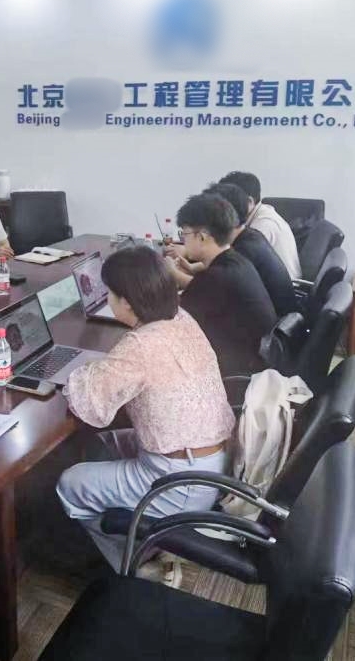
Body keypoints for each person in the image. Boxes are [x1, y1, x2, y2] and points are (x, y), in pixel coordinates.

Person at [55, 246, 234, 579]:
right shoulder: (181, 318)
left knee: (70, 483)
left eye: (109, 294)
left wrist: (82, 369)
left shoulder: (139, 345)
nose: (107, 299)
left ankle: (137, 564)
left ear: (126, 302)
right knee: (103, 444)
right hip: (212, 463)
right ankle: (139, 534)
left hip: (178, 482)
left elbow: (90, 404)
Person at [167, 193, 277, 375]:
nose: (183, 241)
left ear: (202, 237)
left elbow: (173, 323)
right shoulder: (237, 261)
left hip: (236, 373)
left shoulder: (215, 277)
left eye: (184, 234)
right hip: (254, 360)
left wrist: (164, 275)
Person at [205, 182, 299, 317]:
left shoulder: (244, 250)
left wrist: (177, 275)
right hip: (279, 318)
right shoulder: (251, 235)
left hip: (274, 322)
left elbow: (215, 291)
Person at [217, 171, 302, 280]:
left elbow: (234, 265)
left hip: (286, 286)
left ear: (249, 201)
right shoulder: (258, 214)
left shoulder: (264, 225)